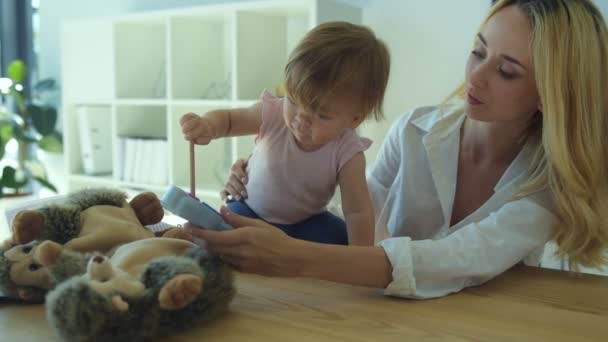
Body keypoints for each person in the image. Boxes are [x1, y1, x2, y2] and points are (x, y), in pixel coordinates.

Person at [183, 0, 608, 299]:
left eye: (506, 72)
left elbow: (455, 260)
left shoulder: (547, 184)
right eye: (477, 51)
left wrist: (296, 257)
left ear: (552, 93)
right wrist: (266, 178)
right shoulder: (413, 131)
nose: (474, 79)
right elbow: (355, 214)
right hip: (380, 314)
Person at [180, 22, 390, 246]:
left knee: (341, 238)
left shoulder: (349, 152)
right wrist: (207, 126)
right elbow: (231, 120)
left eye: (322, 115)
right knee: (219, 231)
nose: (301, 118)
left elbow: (357, 211)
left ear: (355, 119)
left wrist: (357, 258)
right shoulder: (274, 112)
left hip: (305, 224)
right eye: (293, 100)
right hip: (250, 211)